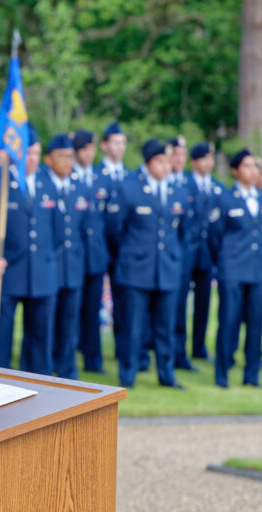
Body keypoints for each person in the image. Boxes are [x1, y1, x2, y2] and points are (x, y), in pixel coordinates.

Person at [105, 139, 187, 390]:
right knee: (133, 326)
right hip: (135, 271)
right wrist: (131, 254)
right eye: (160, 161)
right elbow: (114, 230)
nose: (166, 166)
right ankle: (127, 375)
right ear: (149, 163)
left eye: (168, 161)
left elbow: (182, 231)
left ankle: (166, 374)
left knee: (165, 327)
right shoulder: (129, 189)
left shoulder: (177, 191)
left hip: (166, 270)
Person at [0, 126, 58, 373]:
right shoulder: (0, 184)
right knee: (1, 335)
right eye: (29, 153)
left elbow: (55, 230)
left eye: (37, 153)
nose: (33, 159)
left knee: (40, 338)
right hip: (9, 270)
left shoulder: (48, 184)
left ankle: (39, 385)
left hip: (41, 272)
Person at [208, 149, 262, 388]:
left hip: (260, 270)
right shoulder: (224, 199)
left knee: (256, 325)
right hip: (233, 269)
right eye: (247, 166)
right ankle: (222, 373)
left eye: (256, 166)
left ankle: (252, 375)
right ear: (235, 170)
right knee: (228, 321)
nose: (253, 170)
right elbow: (215, 235)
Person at [173, 142, 222, 365]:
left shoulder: (217, 188)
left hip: (206, 253)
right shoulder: (183, 184)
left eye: (211, 158)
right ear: (194, 162)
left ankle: (199, 346)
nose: (208, 163)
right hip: (185, 253)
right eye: (204, 158)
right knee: (180, 304)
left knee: (204, 302)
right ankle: (178, 349)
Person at [46, 134, 89, 379]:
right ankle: (46, 368)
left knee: (70, 323)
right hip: (49, 266)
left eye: (70, 156)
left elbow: (85, 228)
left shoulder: (79, 186)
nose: (67, 161)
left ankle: (67, 371)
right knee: (47, 323)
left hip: (73, 267)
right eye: (61, 156)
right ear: (49, 159)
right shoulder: (42, 184)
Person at [73, 130, 110, 373]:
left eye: (93, 148)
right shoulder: (68, 176)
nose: (90, 153)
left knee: (93, 310)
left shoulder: (100, 178)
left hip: (95, 256)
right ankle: (64, 357)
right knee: (70, 311)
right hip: (73, 257)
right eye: (86, 148)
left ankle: (93, 360)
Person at [97, 121, 130, 361]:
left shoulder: (130, 177)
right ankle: (90, 352)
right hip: (99, 247)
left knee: (124, 302)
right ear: (104, 146)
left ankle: (123, 349)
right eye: (115, 142)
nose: (119, 147)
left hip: (123, 250)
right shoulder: (97, 175)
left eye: (123, 143)